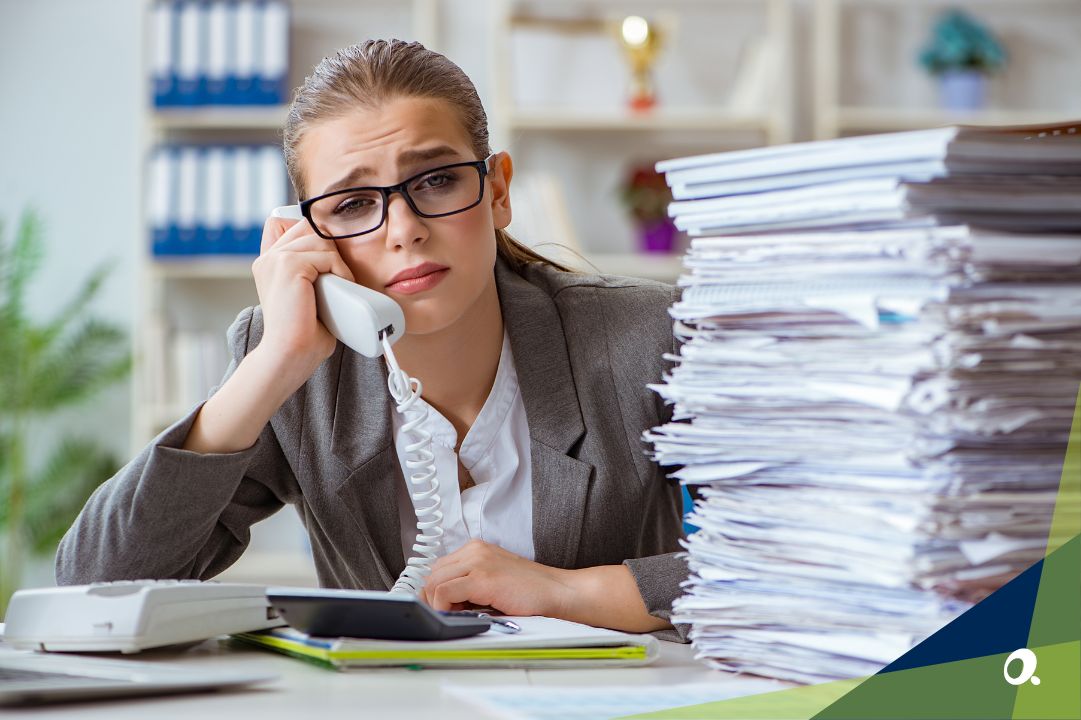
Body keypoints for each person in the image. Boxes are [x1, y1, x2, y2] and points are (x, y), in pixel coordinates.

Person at [56, 39, 688, 641]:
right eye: (354, 203)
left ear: (496, 191)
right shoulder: (289, 365)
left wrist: (567, 594)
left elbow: (783, 562)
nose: (404, 230)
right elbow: (92, 588)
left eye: (437, 180)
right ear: (301, 233)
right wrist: (270, 366)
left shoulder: (647, 336)